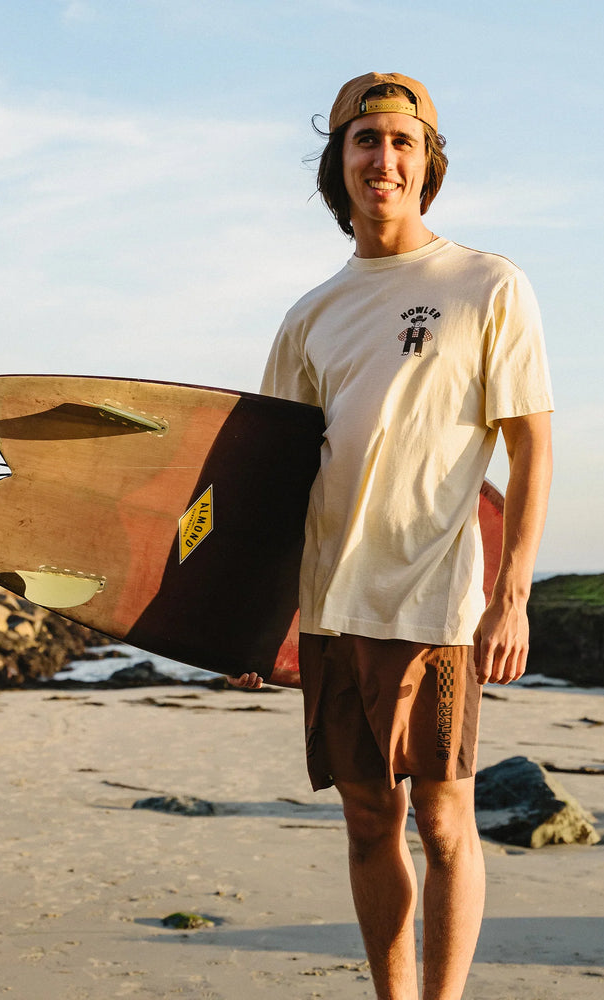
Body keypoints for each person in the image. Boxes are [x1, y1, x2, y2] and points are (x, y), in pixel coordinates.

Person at [233, 72, 553, 1000]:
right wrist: (252, 622)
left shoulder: (487, 286)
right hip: (332, 605)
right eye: (364, 142)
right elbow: (272, 479)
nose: (385, 159)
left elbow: (530, 443)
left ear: (428, 164)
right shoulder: (311, 316)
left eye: (403, 143)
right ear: (340, 165)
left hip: (436, 597)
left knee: (447, 822)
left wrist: (513, 596)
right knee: (369, 821)